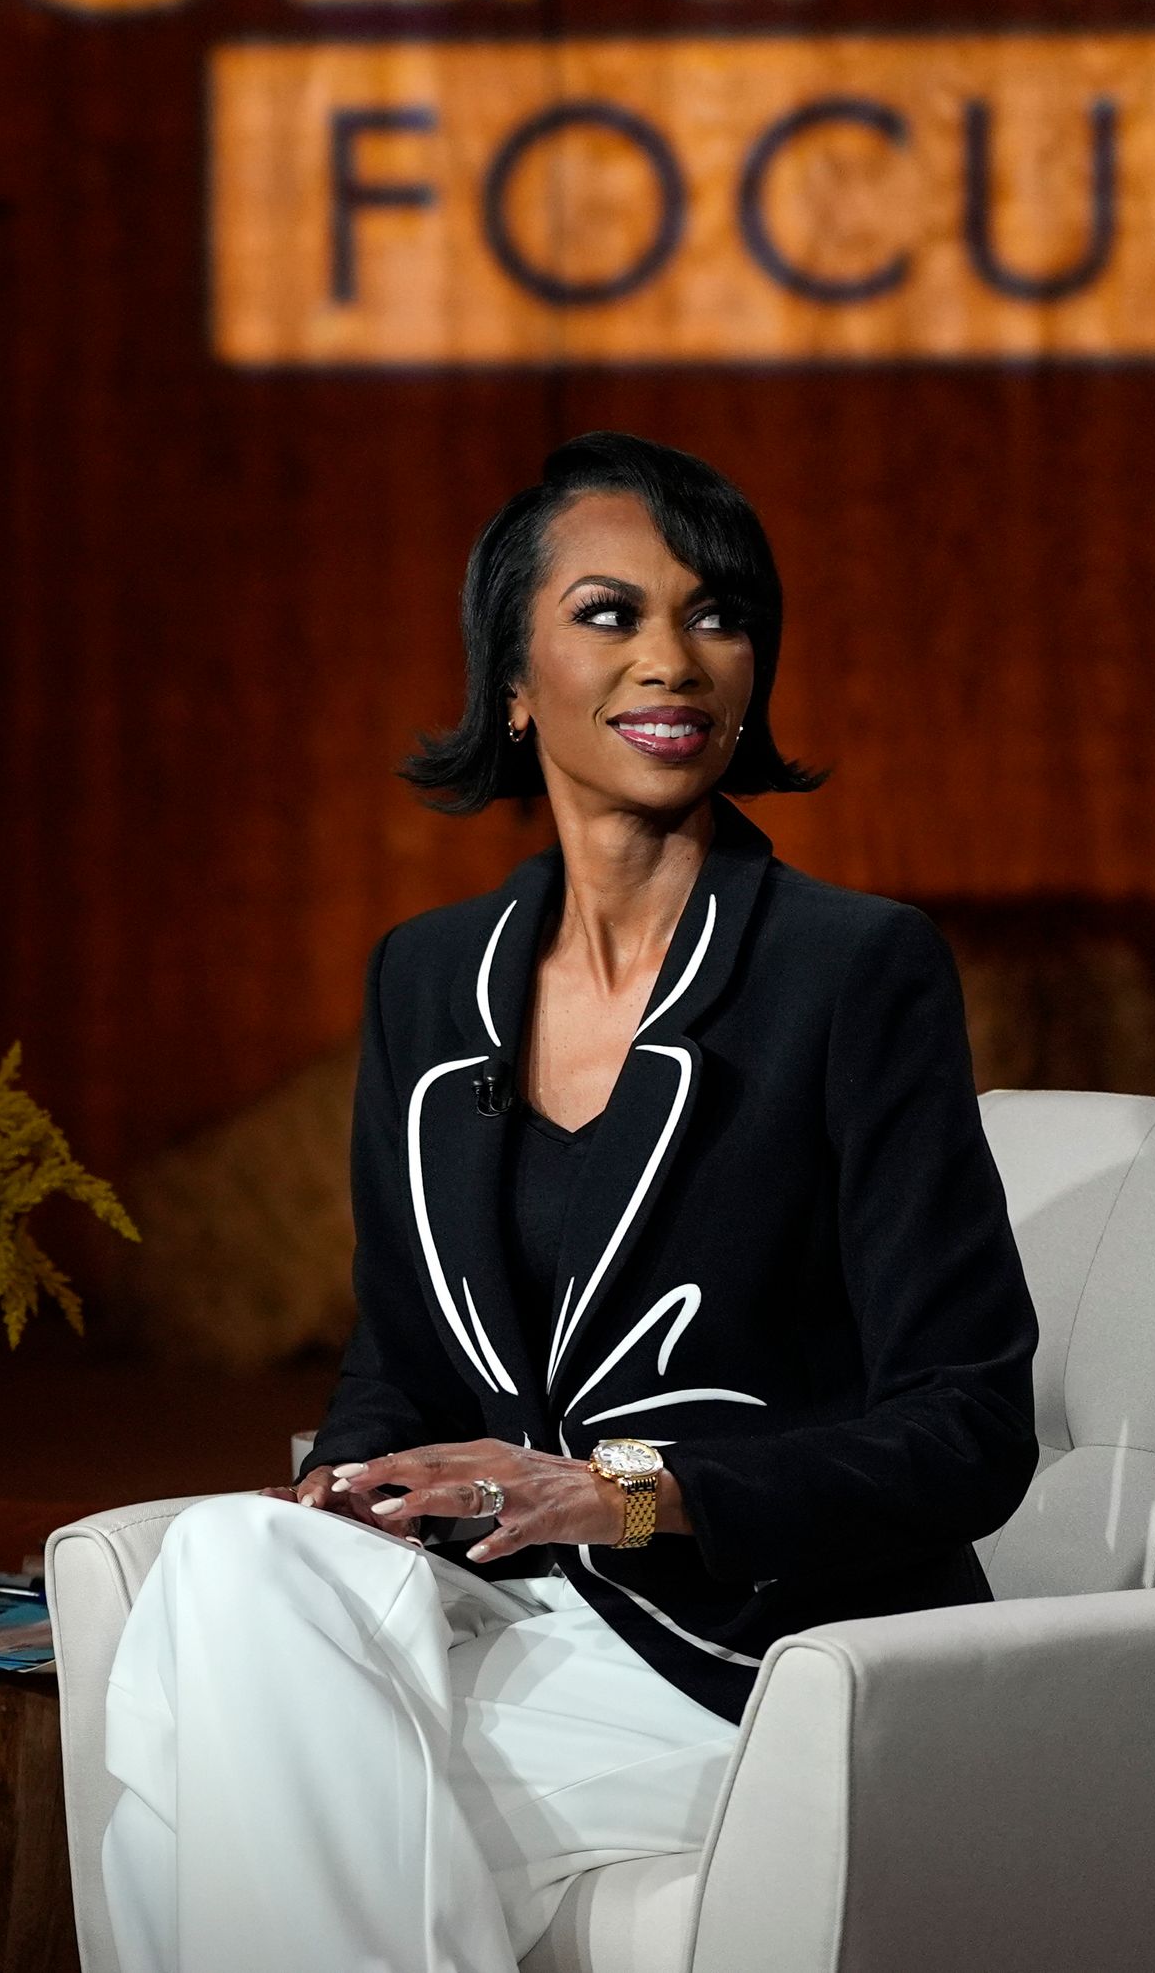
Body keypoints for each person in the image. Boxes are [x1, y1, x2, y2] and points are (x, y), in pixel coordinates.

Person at [99, 432, 1040, 1970]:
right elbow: (398, 1363)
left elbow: (967, 1424)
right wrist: (353, 1495)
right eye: (610, 613)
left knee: (202, 1756)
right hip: (506, 1619)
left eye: (717, 614)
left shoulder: (850, 971)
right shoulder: (428, 976)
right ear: (515, 679)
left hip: (747, 1651)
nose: (672, 658)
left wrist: (629, 1494)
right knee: (230, 1568)